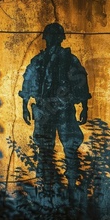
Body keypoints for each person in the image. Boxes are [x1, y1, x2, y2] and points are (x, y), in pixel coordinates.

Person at [19, 23, 91, 201]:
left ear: (61, 38)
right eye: (50, 36)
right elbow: (28, 82)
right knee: (44, 150)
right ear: (46, 38)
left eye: (55, 36)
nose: (52, 39)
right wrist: (25, 105)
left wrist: (84, 106)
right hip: (44, 110)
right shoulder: (39, 61)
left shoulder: (69, 60)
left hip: (64, 110)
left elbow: (81, 81)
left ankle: (72, 186)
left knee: (70, 147)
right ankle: (45, 188)